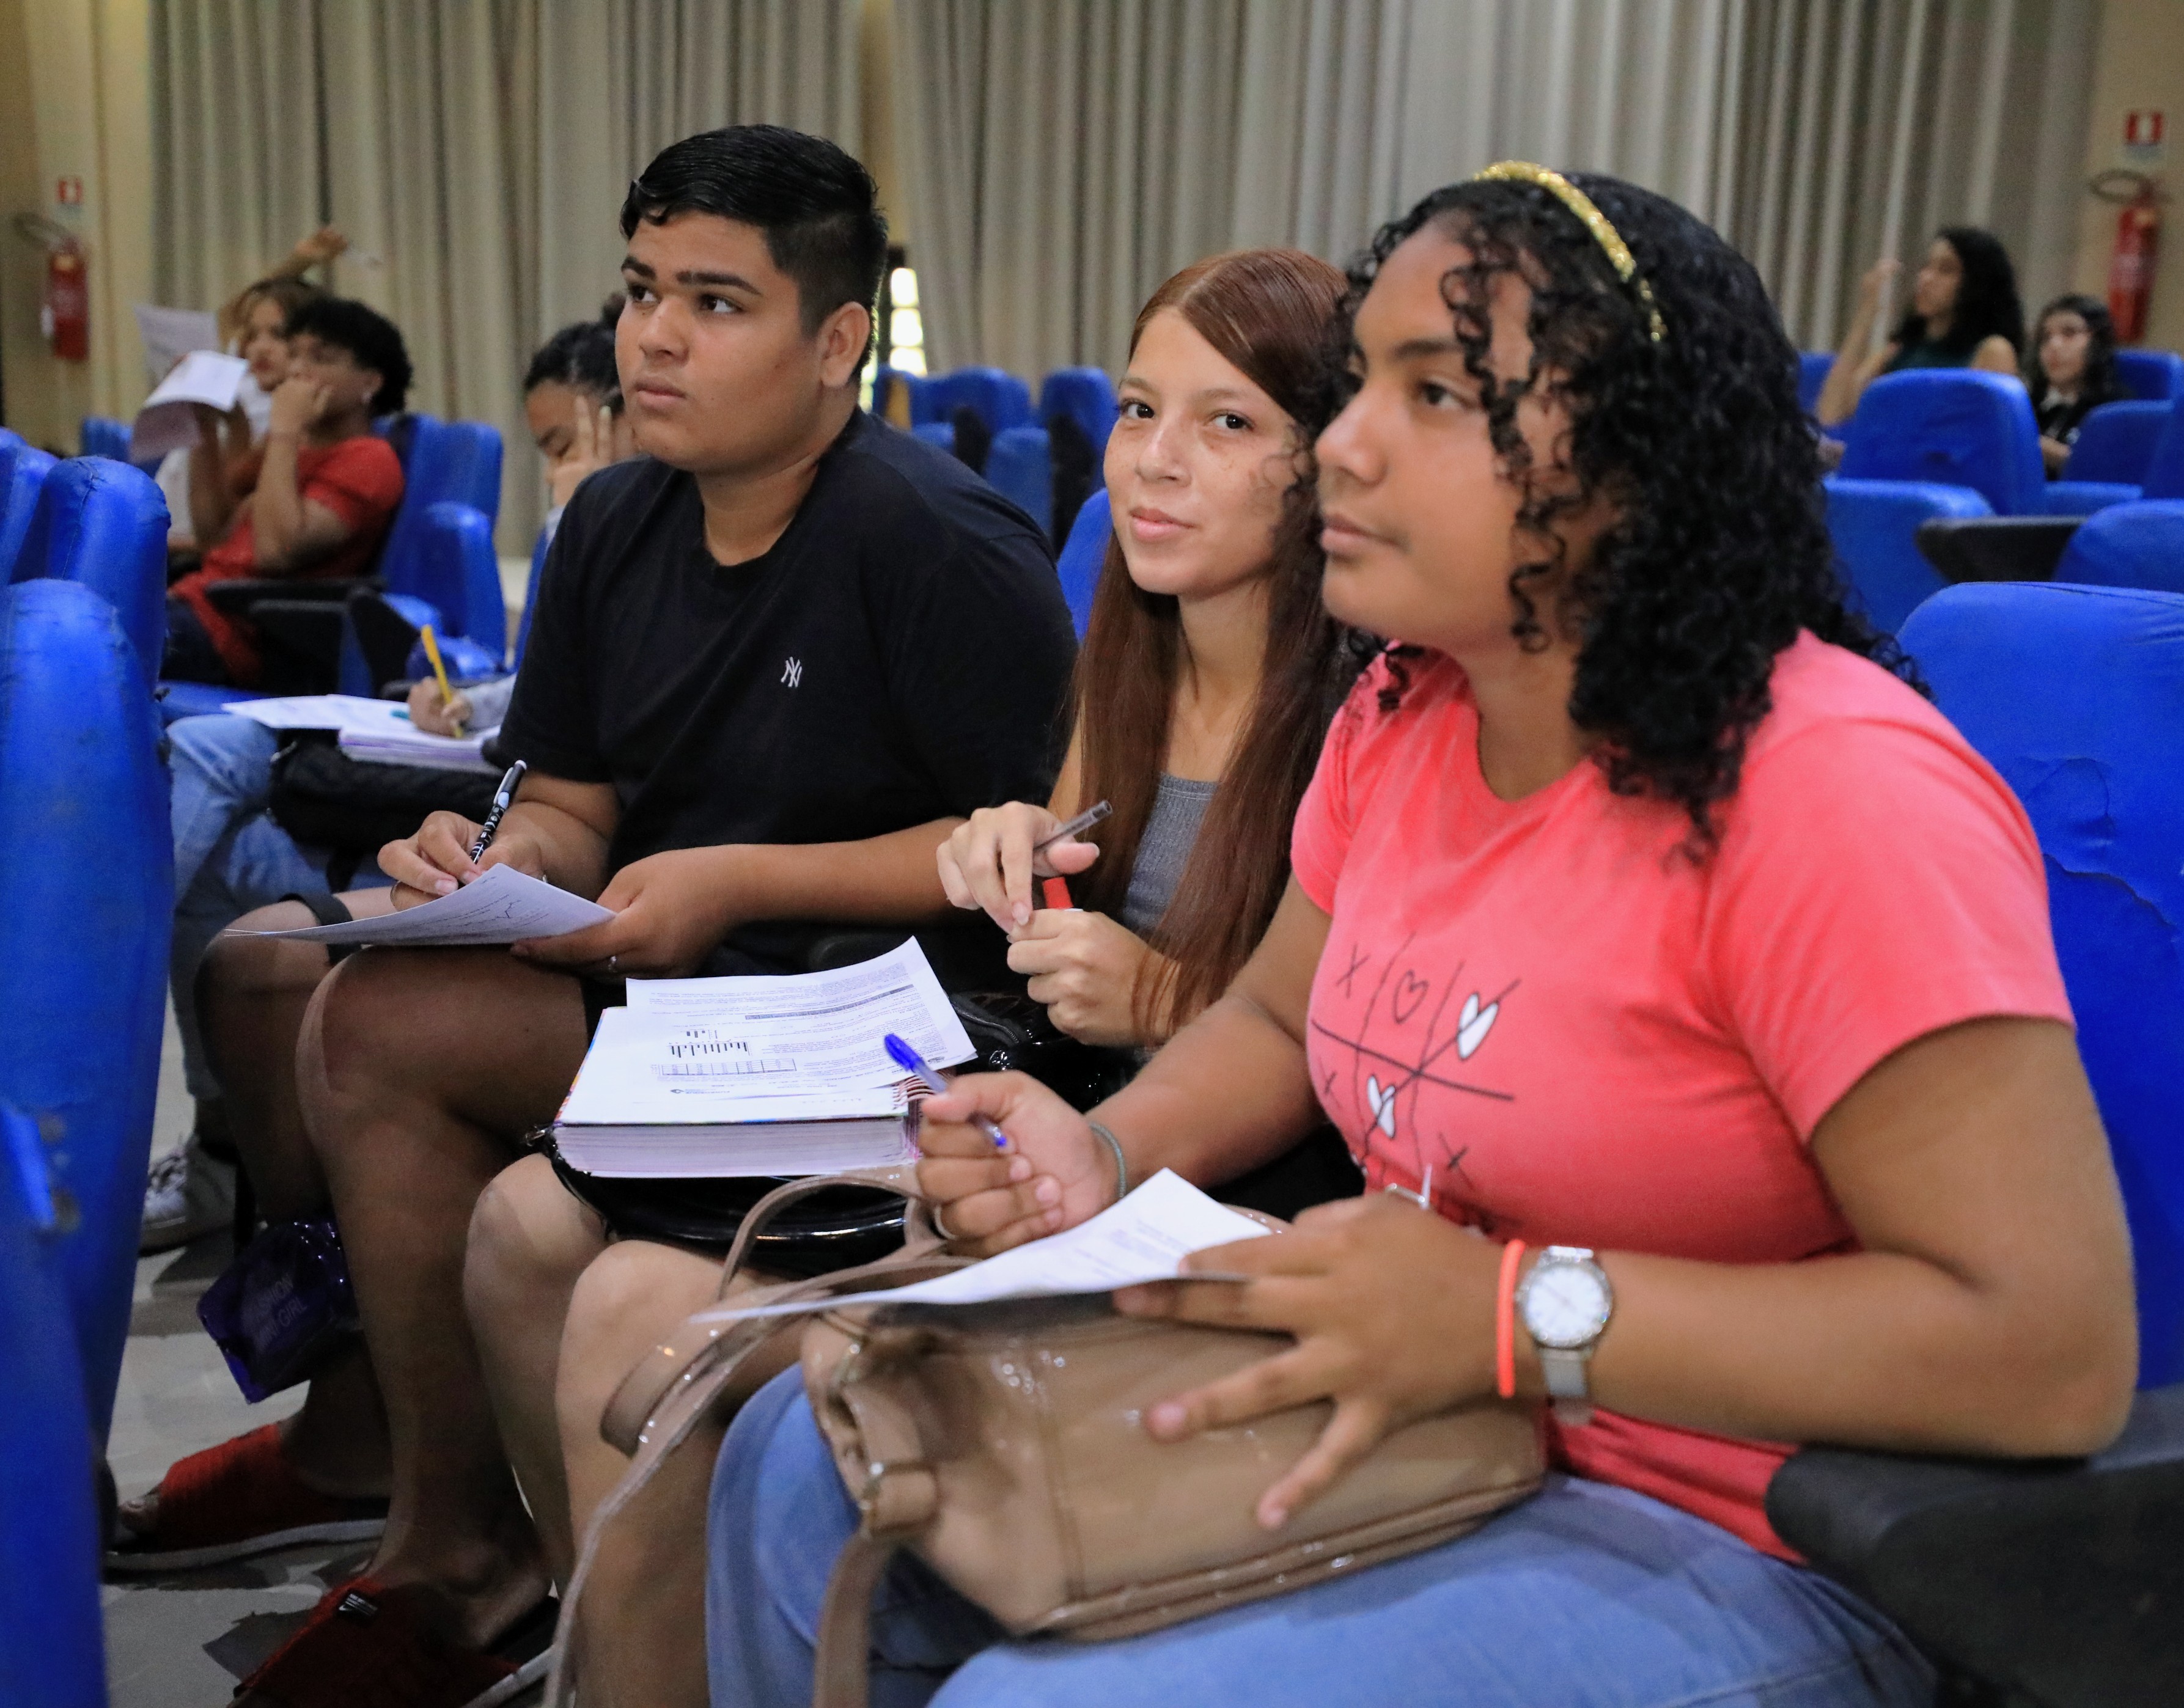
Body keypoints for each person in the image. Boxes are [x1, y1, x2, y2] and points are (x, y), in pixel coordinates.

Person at [706, 167, 2137, 1707]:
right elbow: (1274, 1020)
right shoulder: (1403, 709)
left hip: (1747, 1520)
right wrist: (1102, 1155)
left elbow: (2044, 1349)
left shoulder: (1828, 791)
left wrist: (1512, 1313)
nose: (1343, 443)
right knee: (797, 1459)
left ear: (1629, 458)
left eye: (1435, 393)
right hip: (1445, 1409)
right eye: (1355, 387)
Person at [225, 125, 1073, 1707]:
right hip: (675, 973)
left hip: (881, 1017)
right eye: (639, 290)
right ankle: (460, 1546)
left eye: (714, 301)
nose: (653, 337)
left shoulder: (937, 543)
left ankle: (534, 1584)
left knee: (435, 1104)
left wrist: (739, 880)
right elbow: (574, 797)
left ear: (835, 341)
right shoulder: (616, 521)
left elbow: (1024, 848)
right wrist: (497, 862)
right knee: (359, 998)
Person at [455, 246, 1358, 1708]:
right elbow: (1070, 886)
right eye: (1139, 410)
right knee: (544, 1234)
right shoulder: (1133, 645)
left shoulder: (1364, 714)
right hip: (1056, 1127)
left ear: (1328, 462)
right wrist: (1012, 849)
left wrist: (1160, 999)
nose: (1154, 461)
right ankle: (609, 1648)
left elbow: (1353, 1046)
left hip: (1214, 1181)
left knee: (635, 1311)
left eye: (1228, 422)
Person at [138, 307, 630, 1256]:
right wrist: (468, 699)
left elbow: (597, 731)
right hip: (484, 771)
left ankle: (71, 1014)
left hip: (515, 812)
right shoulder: (605, 524)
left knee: (208, 756)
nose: (555, 474)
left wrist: (587, 526)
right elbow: (545, 697)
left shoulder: (632, 533)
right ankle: (226, 1163)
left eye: (566, 447)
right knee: (209, 838)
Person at [163, 295, 411, 686]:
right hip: (195, 607)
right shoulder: (293, 447)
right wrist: (206, 425)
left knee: (81, 647)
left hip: (237, 637)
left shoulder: (369, 458)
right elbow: (214, 536)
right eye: (294, 354)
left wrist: (285, 431)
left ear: (370, 383)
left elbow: (275, 552)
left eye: (320, 358)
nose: (297, 370)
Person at [1815, 227, 2024, 427]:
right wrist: (1866, 314)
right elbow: (1830, 412)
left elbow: (1993, 435)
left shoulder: (1992, 351)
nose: (1925, 278)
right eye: (1927, 267)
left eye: (1946, 270)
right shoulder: (1900, 349)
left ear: (1976, 283)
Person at [2026, 293, 2125, 475]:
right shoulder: (2027, 402)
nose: (2054, 345)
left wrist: (2043, 450)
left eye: (2069, 333)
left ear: (2098, 342)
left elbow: (2109, 471)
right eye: (2045, 337)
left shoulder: (2117, 407)